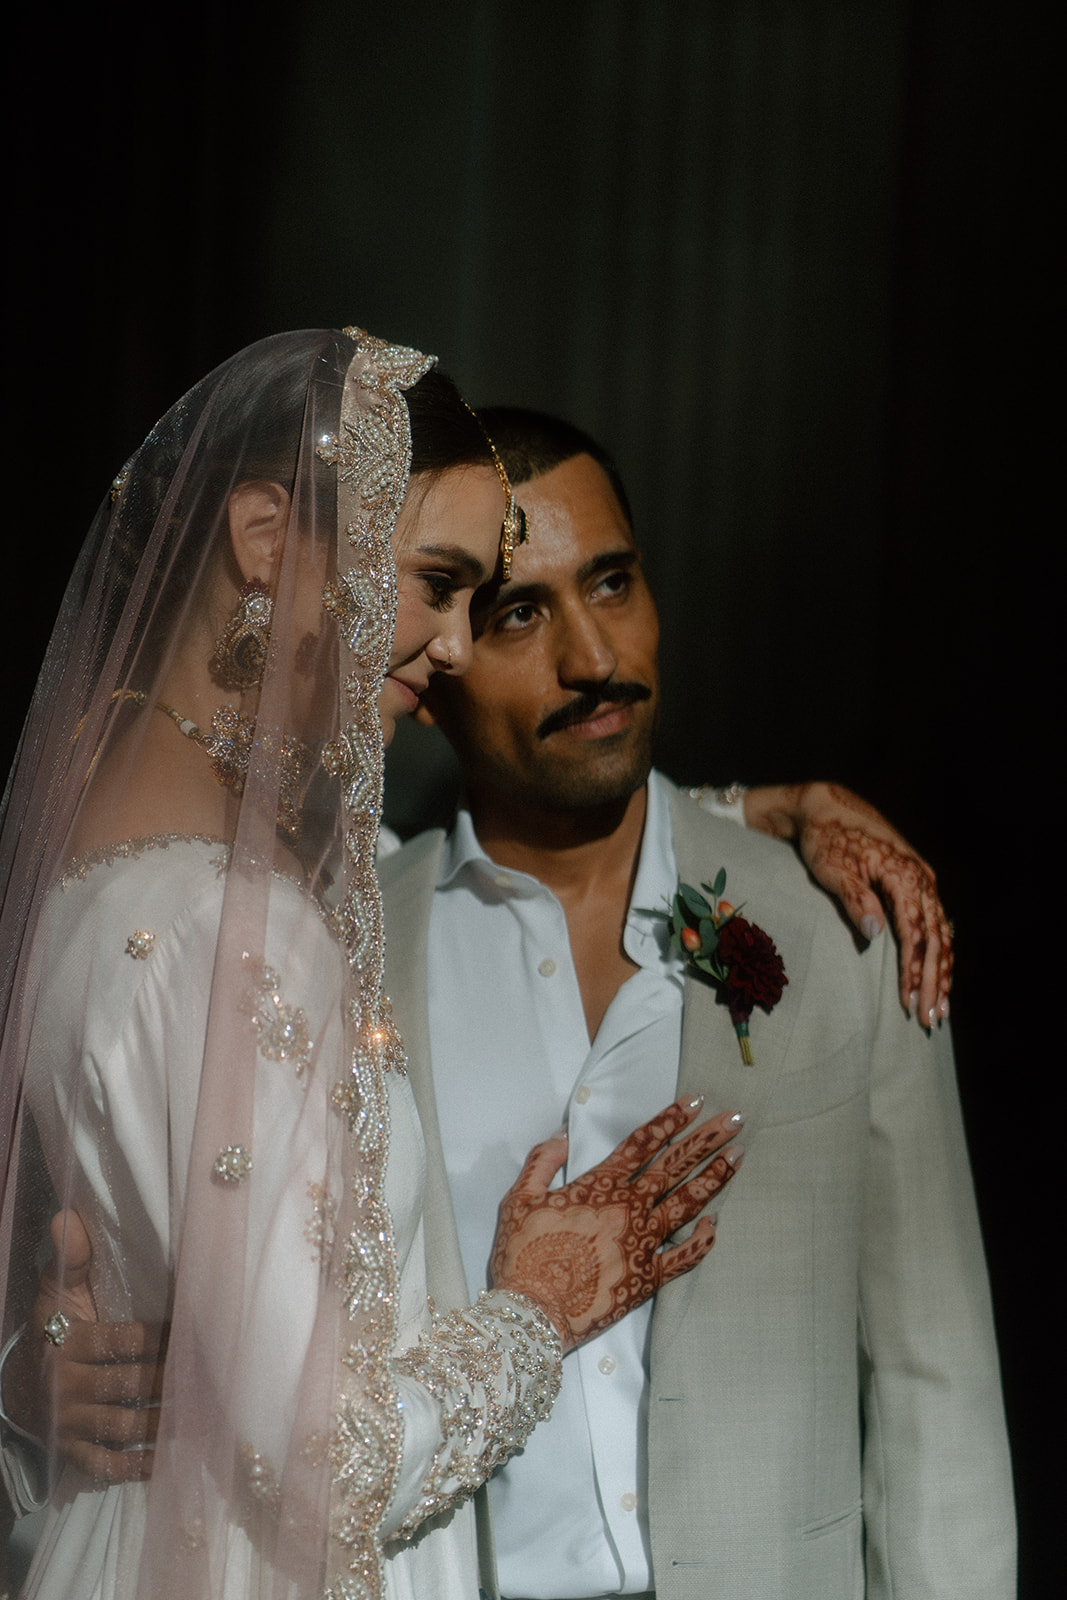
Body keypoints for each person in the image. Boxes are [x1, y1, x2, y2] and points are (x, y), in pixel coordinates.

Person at [0, 334, 749, 1600]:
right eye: (435, 580)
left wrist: (753, 811)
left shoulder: (73, 874)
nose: (452, 645)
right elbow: (329, 1467)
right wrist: (538, 1310)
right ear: (260, 533)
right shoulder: (248, 928)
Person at [371, 408, 1014, 1598]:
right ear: (439, 648)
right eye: (522, 611)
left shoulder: (838, 914)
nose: (592, 656)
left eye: (611, 584)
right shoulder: (354, 942)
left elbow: (936, 1376)